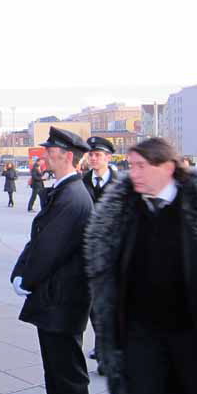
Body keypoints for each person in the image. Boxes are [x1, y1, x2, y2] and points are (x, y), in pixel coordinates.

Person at [85, 138, 197, 394]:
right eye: (131, 166)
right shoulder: (123, 213)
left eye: (142, 166)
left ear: (168, 167)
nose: (134, 174)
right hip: (142, 339)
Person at [11, 127, 93, 394]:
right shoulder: (65, 191)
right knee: (57, 371)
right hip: (56, 298)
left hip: (63, 300)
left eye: (50, 151)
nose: (45, 155)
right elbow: (39, 239)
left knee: (67, 375)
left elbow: (50, 248)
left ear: (68, 156)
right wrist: (20, 270)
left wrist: (27, 278)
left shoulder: (73, 197)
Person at [81, 136, 119, 369]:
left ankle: (108, 350)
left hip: (113, 256)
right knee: (95, 308)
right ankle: (103, 348)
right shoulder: (82, 182)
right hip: (89, 255)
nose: (93, 158)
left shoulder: (121, 184)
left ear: (108, 158)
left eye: (98, 155)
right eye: (91, 154)